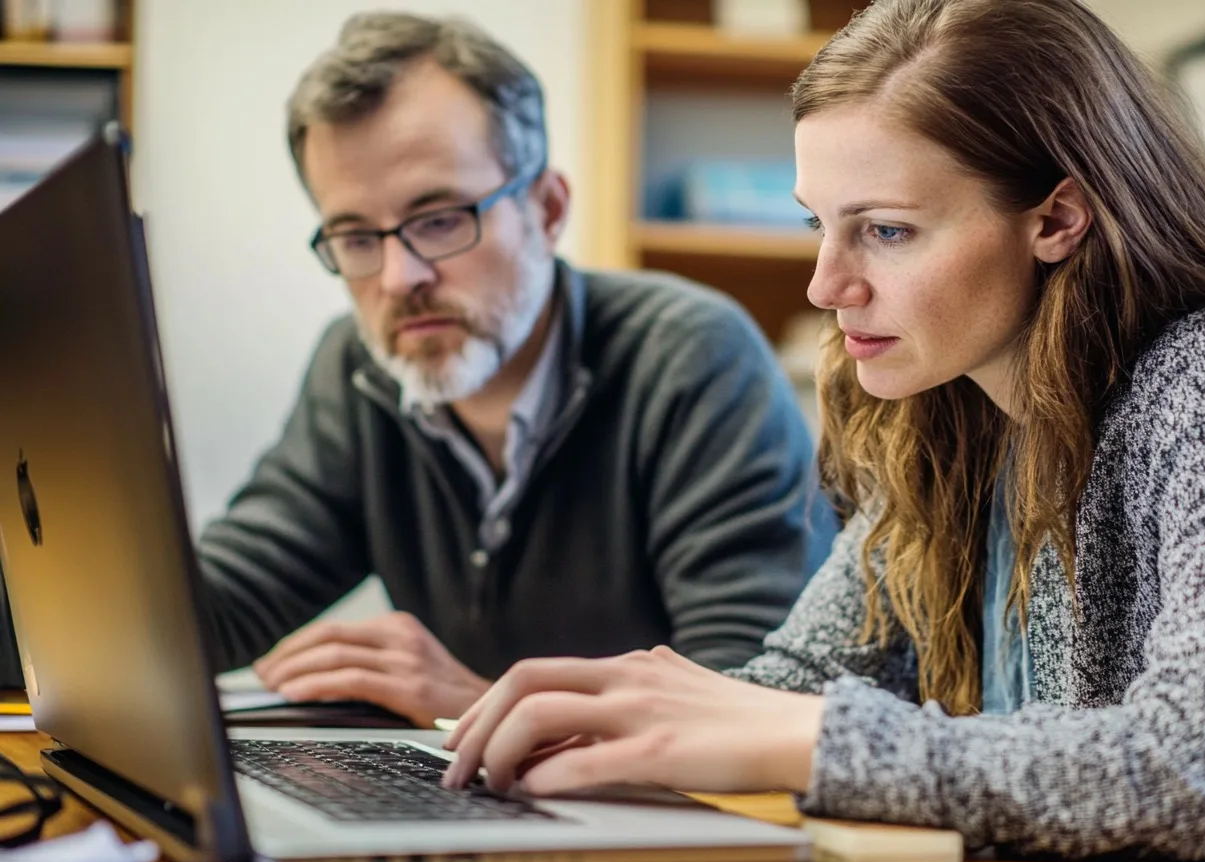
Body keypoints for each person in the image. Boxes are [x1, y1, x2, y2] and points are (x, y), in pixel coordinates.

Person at [442, 0, 1205, 862]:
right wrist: (599, 723)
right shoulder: (947, 406)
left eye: (885, 231)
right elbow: (798, 683)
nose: (827, 286)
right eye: (817, 225)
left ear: (1057, 220)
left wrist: (809, 737)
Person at [196, 12, 838, 729]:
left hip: (665, 829)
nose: (399, 277)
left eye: (439, 219)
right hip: (479, 814)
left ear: (547, 208)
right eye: (355, 237)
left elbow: (753, 706)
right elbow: (219, 604)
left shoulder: (692, 359)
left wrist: (476, 709)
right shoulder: (356, 369)